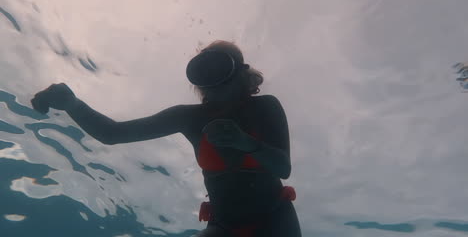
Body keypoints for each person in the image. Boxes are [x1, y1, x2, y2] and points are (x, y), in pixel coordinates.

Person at [31, 40, 302, 237]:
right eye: (203, 72)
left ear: (240, 72)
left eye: (219, 68)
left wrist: (245, 142)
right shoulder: (188, 117)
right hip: (222, 227)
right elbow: (112, 134)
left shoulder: (264, 106)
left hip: (275, 218)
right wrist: (72, 104)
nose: (212, 81)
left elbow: (283, 168)